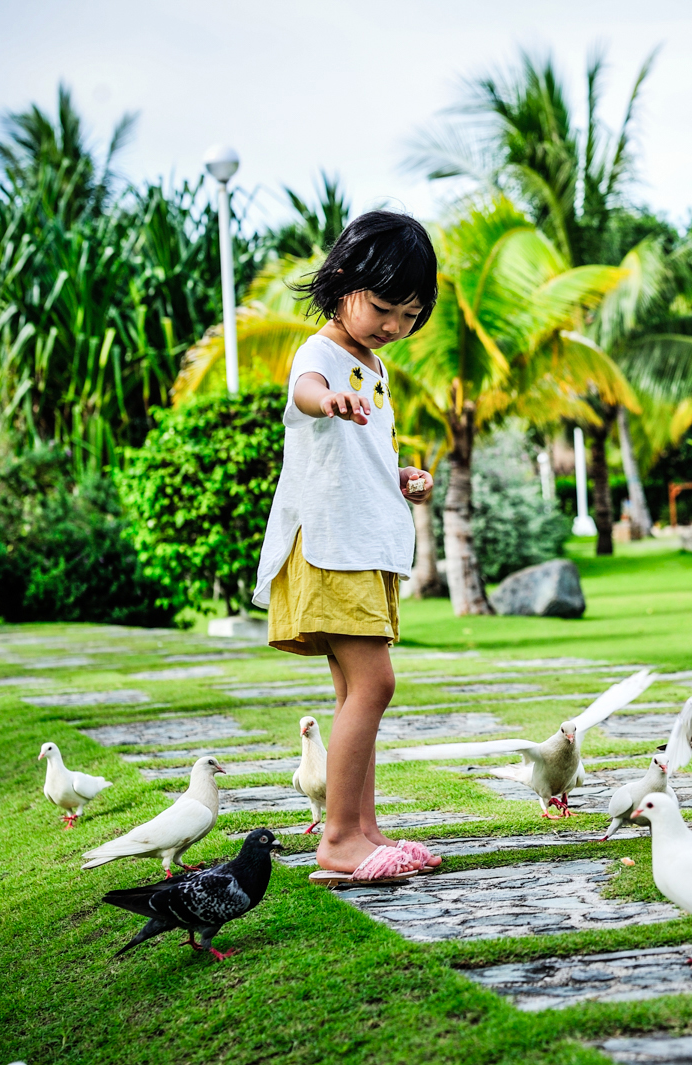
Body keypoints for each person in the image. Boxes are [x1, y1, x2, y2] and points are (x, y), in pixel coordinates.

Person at [251, 211, 440, 883]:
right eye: (384, 307)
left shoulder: (373, 364)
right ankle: (338, 841)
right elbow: (303, 393)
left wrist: (399, 477)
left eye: (410, 313)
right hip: (332, 543)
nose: (395, 324)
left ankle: (364, 830)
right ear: (339, 284)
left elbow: (357, 459)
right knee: (374, 682)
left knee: (353, 689)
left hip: (362, 538)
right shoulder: (323, 354)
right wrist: (326, 399)